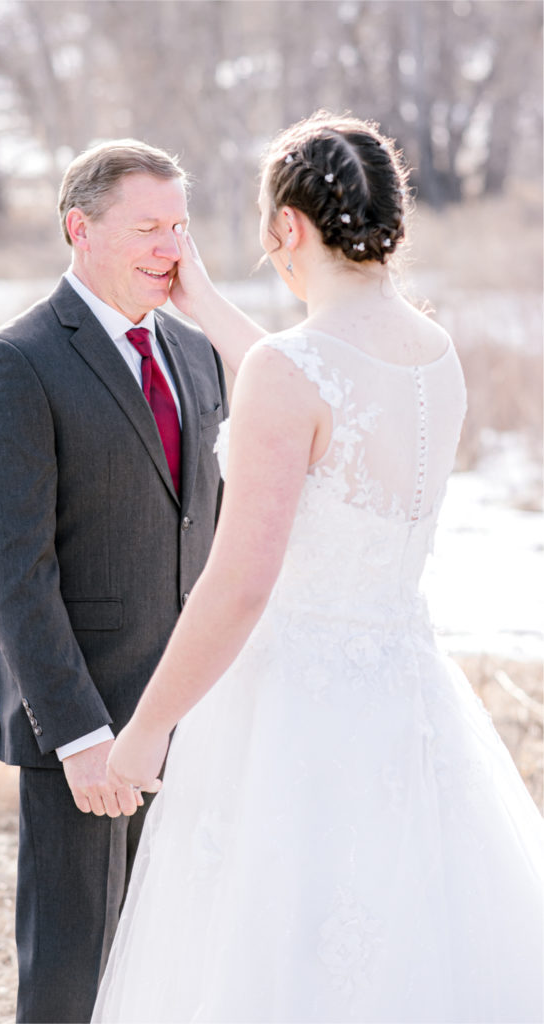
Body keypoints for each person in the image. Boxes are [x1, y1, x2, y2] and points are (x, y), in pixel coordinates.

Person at [92, 113, 544, 1023]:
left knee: (277, 955)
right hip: (405, 689)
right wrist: (211, 310)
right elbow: (322, 390)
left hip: (292, 706)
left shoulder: (290, 371)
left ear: (287, 227)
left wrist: (147, 729)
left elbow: (241, 582)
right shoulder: (432, 352)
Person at [0, 139, 228, 1023]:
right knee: (74, 975)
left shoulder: (199, 355)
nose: (171, 248)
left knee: (179, 958)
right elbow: (13, 569)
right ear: (80, 229)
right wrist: (78, 735)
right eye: (148, 226)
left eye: (180, 226)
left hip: (201, 711)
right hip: (90, 723)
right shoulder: (15, 360)